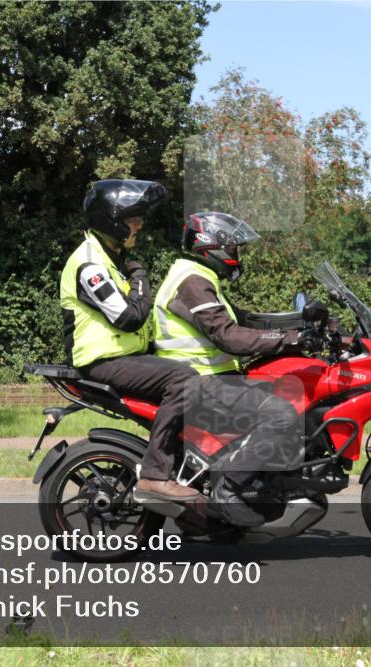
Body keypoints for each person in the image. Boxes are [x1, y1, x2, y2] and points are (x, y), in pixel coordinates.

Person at [151, 211, 323, 526]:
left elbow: (245, 320)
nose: (237, 256)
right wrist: (287, 340)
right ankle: (229, 486)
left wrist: (300, 327)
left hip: (210, 379)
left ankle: (223, 516)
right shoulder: (192, 282)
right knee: (282, 414)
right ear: (214, 247)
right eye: (234, 249)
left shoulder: (200, 278)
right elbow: (228, 336)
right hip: (199, 381)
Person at [60, 179, 199, 501]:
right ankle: (154, 475)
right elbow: (127, 317)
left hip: (123, 357)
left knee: (195, 373)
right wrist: (140, 279)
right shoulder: (90, 264)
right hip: (102, 362)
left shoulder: (112, 256)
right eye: (132, 218)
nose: (139, 224)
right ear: (111, 220)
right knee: (184, 381)